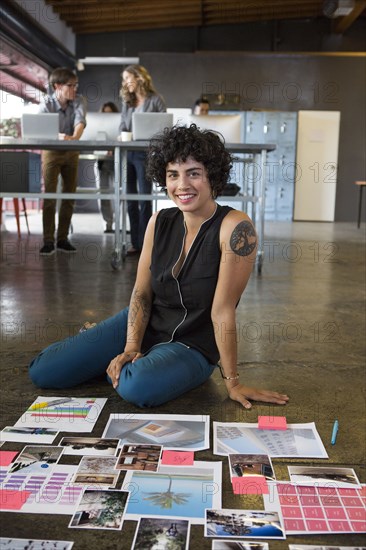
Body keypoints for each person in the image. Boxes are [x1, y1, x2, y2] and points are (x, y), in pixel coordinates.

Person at [28, 124, 289, 410]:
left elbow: (222, 309)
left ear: (212, 175)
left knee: (137, 386)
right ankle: (121, 354)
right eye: (173, 175)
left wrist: (233, 381)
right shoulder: (159, 222)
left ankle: (143, 365)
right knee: (44, 370)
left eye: (194, 173)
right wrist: (130, 346)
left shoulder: (235, 227)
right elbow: (142, 293)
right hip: (148, 321)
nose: (182, 185)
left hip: (194, 345)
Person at [39, 67, 87, 255]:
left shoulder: (79, 100)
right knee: (49, 196)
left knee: (69, 195)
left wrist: (74, 138)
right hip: (51, 151)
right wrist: (60, 137)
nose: (74, 89)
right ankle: (48, 240)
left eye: (76, 85)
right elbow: (43, 129)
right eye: (70, 86)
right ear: (57, 86)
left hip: (71, 151)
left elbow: (80, 121)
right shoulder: (46, 103)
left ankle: (62, 238)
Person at [119, 64, 166, 254]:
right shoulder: (128, 102)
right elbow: (123, 124)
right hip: (127, 153)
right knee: (131, 199)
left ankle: (146, 243)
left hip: (146, 153)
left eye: (127, 78)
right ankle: (135, 243)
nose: (125, 83)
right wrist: (121, 134)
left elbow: (164, 126)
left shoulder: (155, 100)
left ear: (139, 78)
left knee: (144, 199)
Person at [97, 101, 119, 233]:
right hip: (102, 161)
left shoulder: (120, 124)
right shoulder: (98, 125)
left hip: (117, 160)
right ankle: (108, 224)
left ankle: (119, 223)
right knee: (103, 194)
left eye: (110, 114)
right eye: (105, 114)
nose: (108, 116)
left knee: (120, 193)